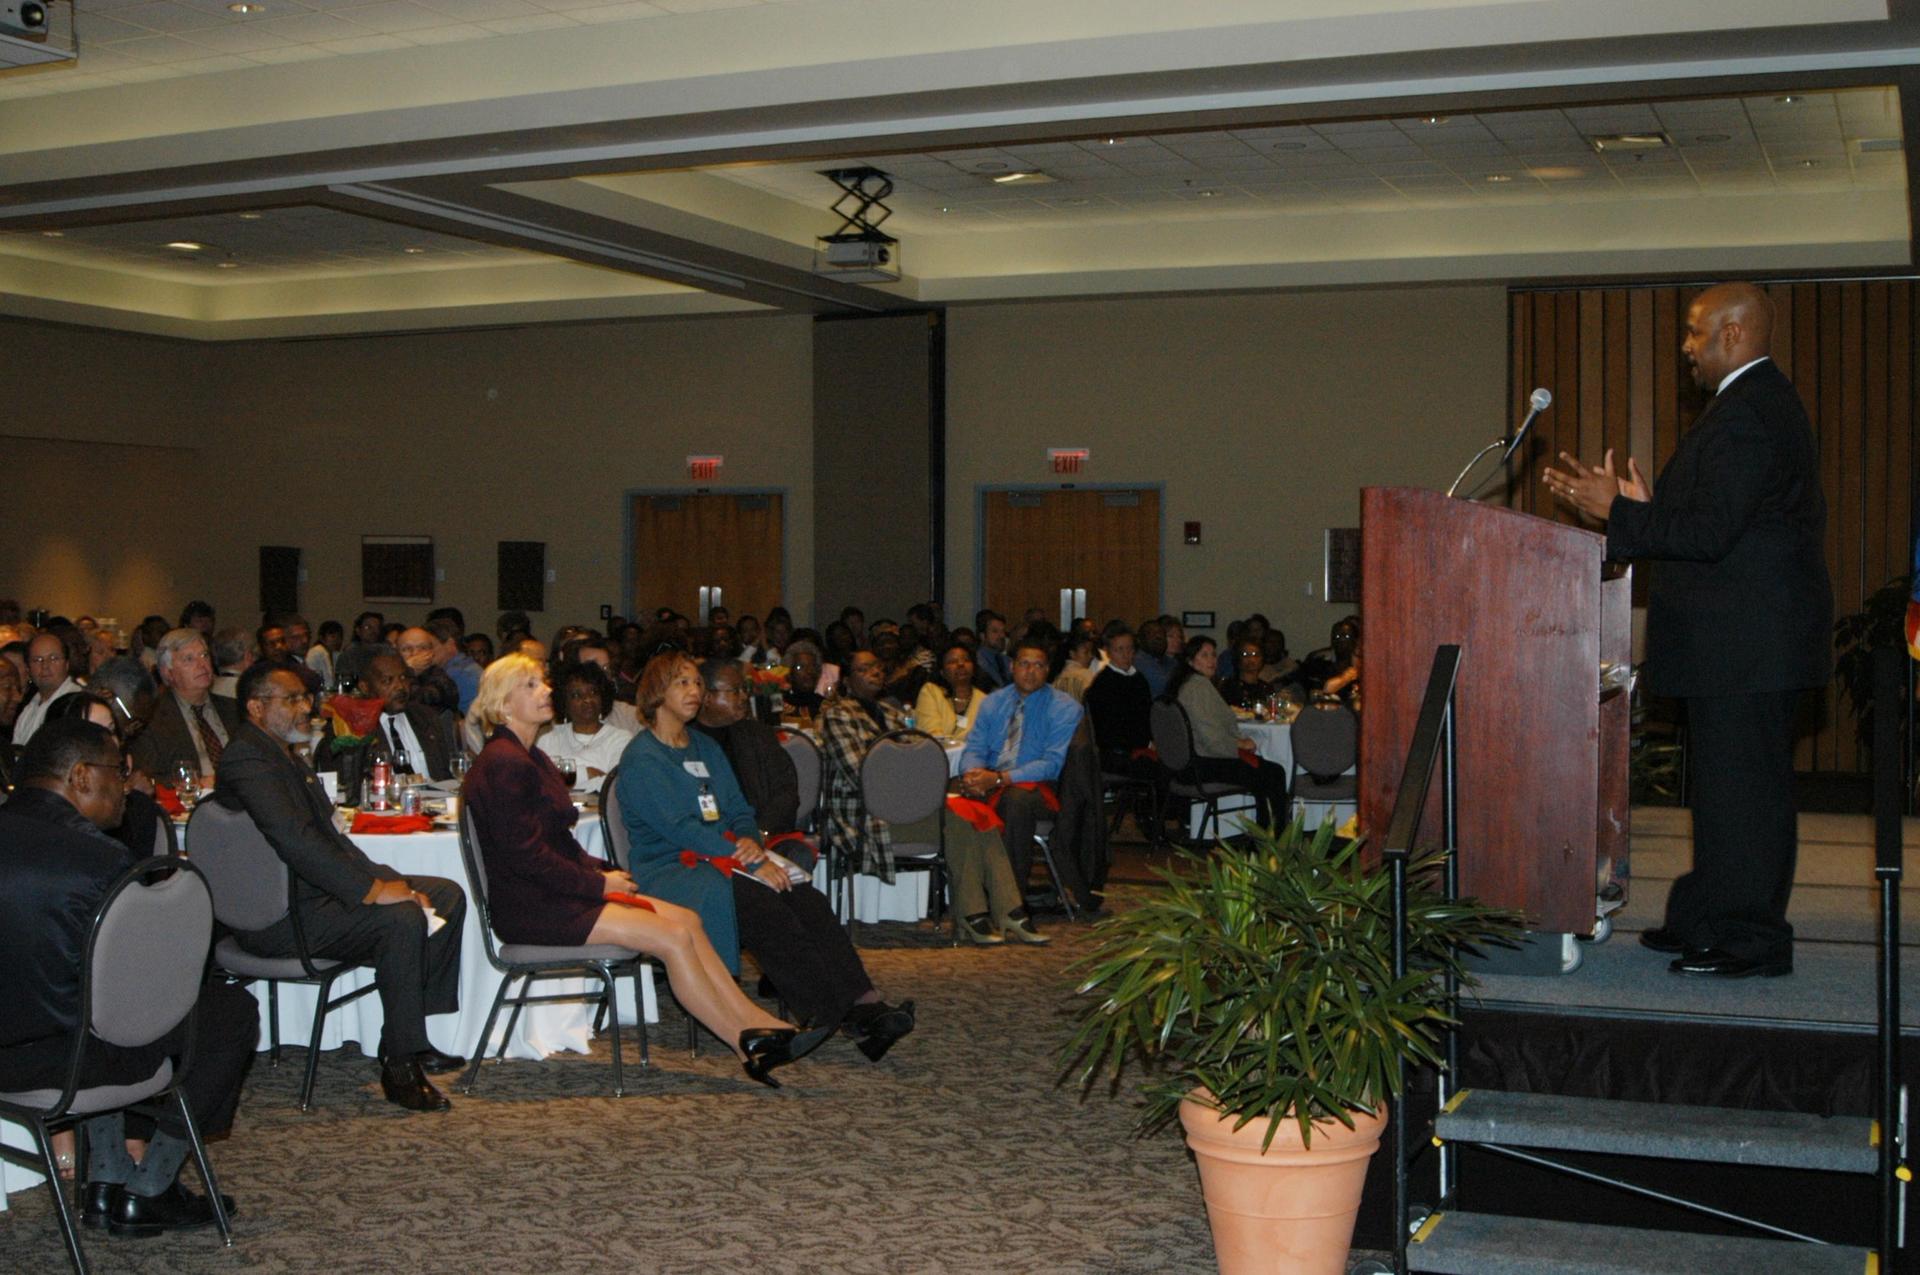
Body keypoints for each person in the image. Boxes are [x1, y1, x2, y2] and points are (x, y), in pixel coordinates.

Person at [1545, 281, 1831, 980]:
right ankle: (1705, 917)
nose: (1686, 347)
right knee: (1727, 794)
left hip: (1748, 646)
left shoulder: (1747, 413)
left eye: (1695, 332)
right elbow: (1717, 521)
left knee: (1746, 797)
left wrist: (1621, 513)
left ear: (1733, 333)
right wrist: (1645, 509)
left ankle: (1750, 939)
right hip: (1742, 645)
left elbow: (1709, 533)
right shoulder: (1750, 404)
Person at [460, 655, 828, 1086]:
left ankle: (757, 1027)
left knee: (687, 920)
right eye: (530, 686)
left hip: (556, 894)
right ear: (503, 704)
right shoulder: (505, 761)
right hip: (534, 907)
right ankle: (744, 1039)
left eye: (541, 682)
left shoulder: (530, 757)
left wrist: (603, 873)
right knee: (672, 936)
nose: (546, 690)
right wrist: (598, 884)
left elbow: (558, 846)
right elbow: (526, 858)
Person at [0, 720, 257, 1235]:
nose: (128, 785)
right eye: (118, 771)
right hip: (60, 1063)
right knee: (228, 1012)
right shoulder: (99, 861)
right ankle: (150, 1188)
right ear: (81, 776)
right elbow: (143, 991)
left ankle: (107, 1177)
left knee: (99, 1007)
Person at [617, 652, 915, 1057]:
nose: (694, 691)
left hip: (725, 854)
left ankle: (866, 1003)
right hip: (673, 869)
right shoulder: (643, 758)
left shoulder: (704, 747)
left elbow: (739, 810)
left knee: (803, 896)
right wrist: (749, 859)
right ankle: (834, 1013)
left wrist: (750, 842)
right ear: (656, 692)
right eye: (682, 683)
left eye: (697, 682)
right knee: (762, 904)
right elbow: (680, 829)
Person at [216, 663, 468, 1111]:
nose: (306, 708)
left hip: (316, 896)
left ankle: (409, 1036)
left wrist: (387, 880)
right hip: (281, 915)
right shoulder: (247, 758)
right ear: (256, 707)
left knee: (446, 895)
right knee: (400, 918)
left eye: (305, 698)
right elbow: (296, 841)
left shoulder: (282, 754)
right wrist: (373, 891)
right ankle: (400, 1065)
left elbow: (332, 841)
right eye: (292, 699)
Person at [822, 649, 1036, 946]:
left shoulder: (893, 714)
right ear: (847, 680)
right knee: (961, 819)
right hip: (865, 819)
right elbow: (862, 775)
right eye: (864, 669)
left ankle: (1006, 911)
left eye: (877, 667)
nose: (874, 673)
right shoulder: (838, 715)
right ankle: (978, 914)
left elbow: (918, 765)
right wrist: (917, 784)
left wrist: (923, 784)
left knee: (975, 815)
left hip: (907, 811)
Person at [956, 638, 1085, 913]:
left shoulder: (1065, 708)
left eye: (1038, 665)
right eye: (1024, 664)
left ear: (1048, 670)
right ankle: (962, 896)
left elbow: (1052, 764)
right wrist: (972, 774)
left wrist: (1000, 778)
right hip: (991, 778)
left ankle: (1009, 901)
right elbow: (975, 747)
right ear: (1012, 667)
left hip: (1040, 787)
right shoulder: (993, 702)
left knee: (1015, 803)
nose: (1030, 671)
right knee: (952, 795)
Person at [1166, 636, 1291, 831]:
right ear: (1190, 661)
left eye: (1213, 655)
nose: (1212, 660)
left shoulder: (1188, 684)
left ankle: (1263, 832)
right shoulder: (1198, 687)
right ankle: (1273, 836)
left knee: (1266, 771)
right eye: (1204, 655)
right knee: (1273, 773)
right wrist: (1240, 745)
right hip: (1203, 764)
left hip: (1191, 763)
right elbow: (1210, 736)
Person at [693, 658, 802, 843]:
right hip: (710, 840)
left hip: (762, 833)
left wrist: (759, 833)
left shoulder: (759, 736)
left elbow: (786, 793)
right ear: (707, 697)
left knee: (798, 852)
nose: (744, 697)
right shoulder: (687, 742)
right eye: (735, 691)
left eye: (744, 689)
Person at [130, 628, 238, 783]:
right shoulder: (151, 719)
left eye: (204, 655)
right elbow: (147, 779)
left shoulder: (234, 709)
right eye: (189, 659)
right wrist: (196, 783)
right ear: (168, 673)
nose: (202, 665)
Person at [536, 660, 633, 793]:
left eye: (593, 692)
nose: (587, 699)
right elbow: (541, 784)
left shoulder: (621, 739)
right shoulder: (548, 740)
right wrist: (587, 773)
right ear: (564, 702)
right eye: (576, 695)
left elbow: (612, 786)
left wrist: (566, 779)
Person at [1084, 627, 1154, 772]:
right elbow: (1106, 727)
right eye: (1119, 650)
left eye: (1129, 649)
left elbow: (1148, 715)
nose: (1125, 654)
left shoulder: (1139, 679)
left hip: (1140, 747)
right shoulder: (1103, 683)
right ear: (1108, 652)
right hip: (1115, 752)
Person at [14, 630, 86, 746]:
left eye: (53, 658)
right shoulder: (30, 706)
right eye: (37, 660)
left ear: (67, 664)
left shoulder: (76, 703)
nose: (45, 666)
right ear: (28, 668)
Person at [914, 641, 982, 741]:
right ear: (942, 672)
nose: (961, 664)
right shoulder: (931, 692)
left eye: (966, 660)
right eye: (952, 661)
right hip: (936, 750)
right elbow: (931, 735)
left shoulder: (985, 700)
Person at [1216, 639, 1270, 709]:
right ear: (1238, 658)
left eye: (1255, 655)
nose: (1251, 659)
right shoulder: (1228, 688)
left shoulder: (1266, 688)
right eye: (1245, 655)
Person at [1051, 630, 1099, 703]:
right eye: (1086, 652)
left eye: (1091, 652)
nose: (1091, 656)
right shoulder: (1085, 675)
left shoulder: (1058, 676)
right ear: (1072, 654)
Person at [973, 609, 1010, 689]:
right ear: (982, 636)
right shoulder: (976, 662)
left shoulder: (1007, 660)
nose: (1002, 636)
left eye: (1003, 631)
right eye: (995, 631)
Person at [306, 619, 343, 689]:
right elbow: (327, 682)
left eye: (339, 637)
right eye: (332, 637)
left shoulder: (335, 655)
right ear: (321, 638)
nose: (337, 640)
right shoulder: (317, 652)